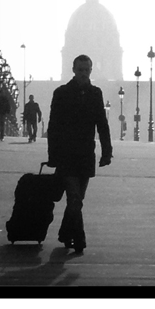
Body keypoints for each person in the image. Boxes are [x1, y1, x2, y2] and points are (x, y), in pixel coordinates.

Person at [47, 54, 112, 254]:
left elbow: (102, 123)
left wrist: (107, 152)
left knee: (77, 200)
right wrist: (53, 155)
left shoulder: (96, 94)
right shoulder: (61, 93)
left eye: (87, 70)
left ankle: (66, 233)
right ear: (73, 70)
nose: (84, 73)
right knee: (74, 198)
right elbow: (53, 126)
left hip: (85, 154)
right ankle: (79, 238)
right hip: (66, 154)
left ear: (91, 71)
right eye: (80, 69)